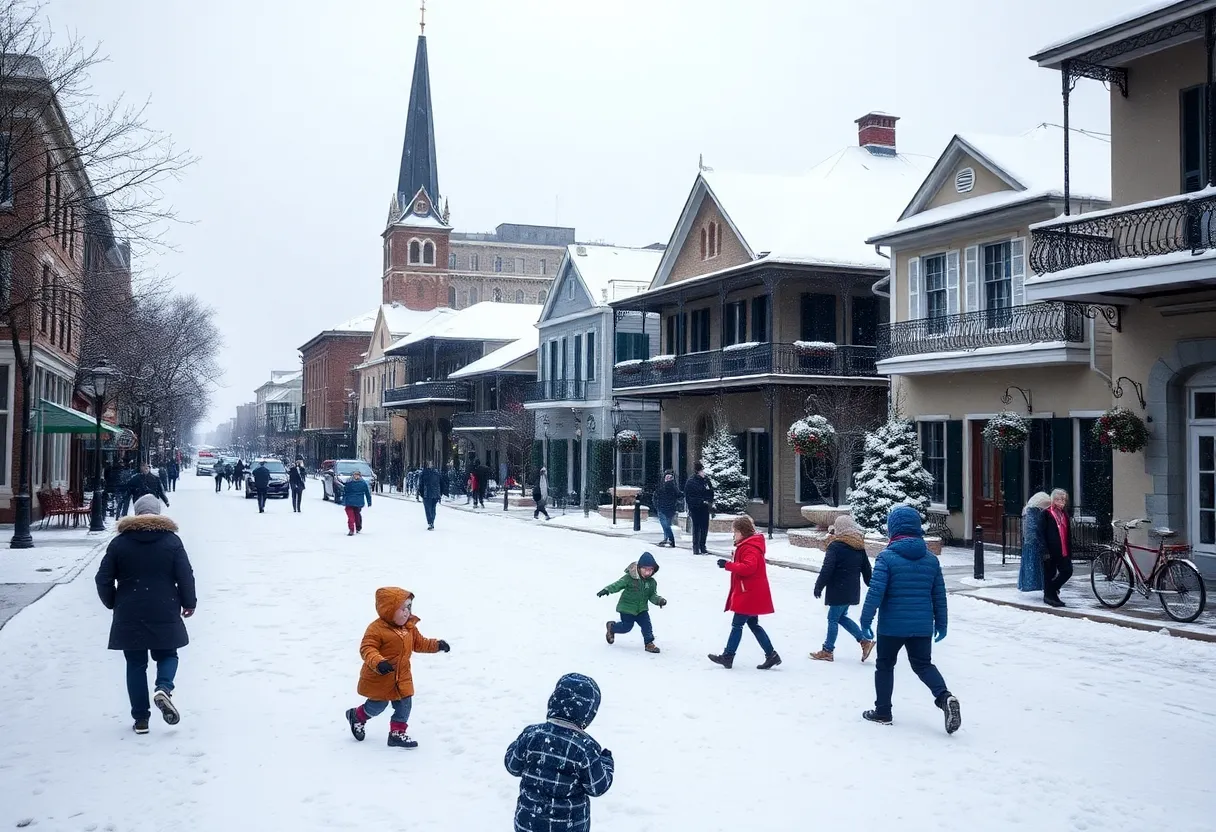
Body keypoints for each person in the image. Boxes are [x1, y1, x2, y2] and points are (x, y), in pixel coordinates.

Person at [94, 495, 196, 735]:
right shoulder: (172, 541)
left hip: (129, 609)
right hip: (164, 606)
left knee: (136, 664)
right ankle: (163, 688)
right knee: (168, 654)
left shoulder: (120, 543)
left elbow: (103, 578)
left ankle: (141, 719)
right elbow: (185, 575)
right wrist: (188, 603)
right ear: (158, 514)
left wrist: (112, 602)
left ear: (136, 514)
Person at [858, 505, 960, 734]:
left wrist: (865, 620)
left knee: (885, 665)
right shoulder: (931, 560)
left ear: (892, 529)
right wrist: (941, 624)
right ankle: (945, 698)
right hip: (922, 625)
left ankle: (883, 711)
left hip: (891, 626)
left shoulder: (887, 557)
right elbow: (938, 595)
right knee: (923, 665)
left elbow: (876, 592)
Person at [505, 673, 614, 832]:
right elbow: (597, 786)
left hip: (528, 823)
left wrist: (518, 743)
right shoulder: (585, 748)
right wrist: (606, 762)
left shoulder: (531, 735)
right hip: (568, 826)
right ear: (588, 713)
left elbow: (512, 766)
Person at [344, 587, 450, 749]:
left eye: (409, 607)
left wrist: (436, 645)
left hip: (402, 676)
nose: (407, 612)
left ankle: (397, 734)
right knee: (377, 706)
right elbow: (367, 648)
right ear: (389, 610)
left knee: (405, 703)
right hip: (381, 676)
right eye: (402, 608)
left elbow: (419, 643)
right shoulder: (376, 629)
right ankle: (357, 716)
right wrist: (379, 662)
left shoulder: (409, 628)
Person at [708, 515, 781, 670]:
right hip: (750, 591)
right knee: (753, 624)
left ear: (742, 531)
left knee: (737, 625)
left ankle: (728, 656)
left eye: (734, 531)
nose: (733, 534)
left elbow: (749, 568)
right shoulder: (748, 544)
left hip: (749, 593)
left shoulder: (750, 547)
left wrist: (728, 565)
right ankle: (771, 655)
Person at [810, 515, 874, 662]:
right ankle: (864, 642)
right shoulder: (858, 546)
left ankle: (828, 650)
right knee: (841, 617)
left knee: (833, 618)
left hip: (838, 589)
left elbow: (827, 569)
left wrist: (819, 586)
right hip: (851, 590)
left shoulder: (836, 546)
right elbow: (867, 570)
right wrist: (872, 585)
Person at [598, 551, 666, 653]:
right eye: (645, 569)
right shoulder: (629, 578)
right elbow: (618, 585)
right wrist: (607, 589)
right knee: (626, 627)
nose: (648, 572)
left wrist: (659, 600)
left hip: (641, 609)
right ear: (639, 568)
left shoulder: (651, 582)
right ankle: (612, 627)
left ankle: (649, 643)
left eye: (650, 570)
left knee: (647, 625)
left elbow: (652, 595)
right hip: (627, 608)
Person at [1043, 488, 1074, 607]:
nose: (1062, 501)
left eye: (1064, 499)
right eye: (1059, 499)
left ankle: (1052, 590)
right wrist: (1045, 550)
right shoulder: (1047, 513)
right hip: (1051, 549)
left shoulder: (1064, 514)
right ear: (1053, 500)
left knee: (1067, 571)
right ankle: (1049, 596)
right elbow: (1041, 533)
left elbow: (1067, 532)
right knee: (1049, 573)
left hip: (1063, 548)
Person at [1018, 492, 1051, 594]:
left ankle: (1030, 582)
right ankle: (1035, 583)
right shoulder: (1035, 513)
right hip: (1035, 541)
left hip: (1032, 541)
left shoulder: (1030, 512)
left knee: (1032, 561)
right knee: (1038, 562)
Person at [684, 462, 714, 555]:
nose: (703, 472)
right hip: (695, 508)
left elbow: (711, 492)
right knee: (696, 528)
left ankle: (703, 546)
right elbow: (688, 496)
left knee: (704, 527)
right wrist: (699, 501)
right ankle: (696, 547)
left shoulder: (706, 480)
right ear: (698, 471)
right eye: (701, 470)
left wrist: (709, 501)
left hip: (705, 508)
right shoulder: (691, 481)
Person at [653, 469, 681, 548]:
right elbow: (679, 496)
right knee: (667, 524)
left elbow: (656, 497)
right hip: (669, 509)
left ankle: (670, 539)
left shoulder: (663, 487)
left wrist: (657, 506)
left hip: (664, 509)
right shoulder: (673, 488)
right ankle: (666, 538)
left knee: (666, 525)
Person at [342, 469, 373, 535]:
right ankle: (353, 529)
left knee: (355, 515)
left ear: (360, 476)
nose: (356, 476)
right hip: (352, 502)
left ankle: (355, 528)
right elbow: (345, 492)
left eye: (357, 475)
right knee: (353, 516)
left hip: (355, 502)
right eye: (355, 475)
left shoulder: (350, 482)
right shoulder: (359, 483)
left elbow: (367, 493)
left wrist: (369, 501)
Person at [419, 460, 441, 530]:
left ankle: (430, 522)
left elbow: (421, 484)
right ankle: (432, 522)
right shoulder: (437, 473)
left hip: (427, 494)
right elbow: (441, 483)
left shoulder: (424, 473)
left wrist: (421, 492)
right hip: (435, 494)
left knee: (428, 509)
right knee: (432, 508)